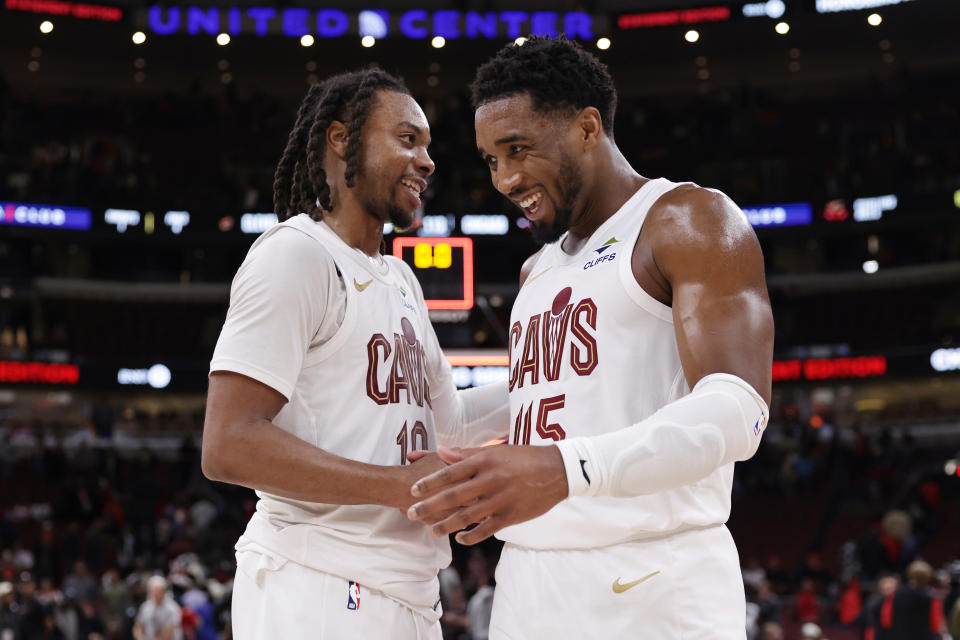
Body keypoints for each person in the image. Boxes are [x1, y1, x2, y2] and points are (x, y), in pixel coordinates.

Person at [406, 36, 774, 638]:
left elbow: (740, 411)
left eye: (517, 149)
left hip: (650, 574)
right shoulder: (537, 269)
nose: (504, 177)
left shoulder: (685, 219)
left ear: (586, 126)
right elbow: (548, 395)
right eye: (491, 159)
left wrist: (563, 467)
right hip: (527, 578)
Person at [202, 67, 508, 639]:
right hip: (317, 583)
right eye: (407, 139)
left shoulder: (400, 279)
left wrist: (547, 377)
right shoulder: (296, 255)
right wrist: (396, 486)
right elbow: (228, 443)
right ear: (341, 140)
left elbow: (453, 424)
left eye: (428, 145)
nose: (427, 160)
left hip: (405, 591)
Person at [133, 576, 181, 640]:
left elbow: (170, 632)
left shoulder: (172, 607)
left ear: (164, 591)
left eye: (158, 590)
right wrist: (140, 637)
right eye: (152, 590)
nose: (155, 593)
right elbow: (138, 626)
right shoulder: (145, 606)